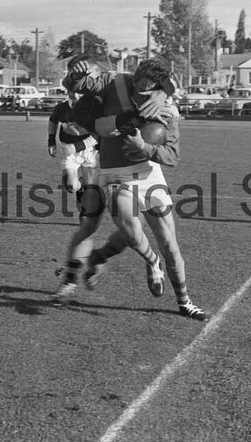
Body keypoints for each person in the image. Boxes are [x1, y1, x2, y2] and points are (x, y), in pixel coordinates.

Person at [52, 57, 207, 322]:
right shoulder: (114, 82)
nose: (138, 89)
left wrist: (144, 147)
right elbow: (78, 86)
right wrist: (75, 76)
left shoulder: (166, 109)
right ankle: (148, 261)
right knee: (119, 225)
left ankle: (185, 302)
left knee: (169, 244)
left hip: (148, 174)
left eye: (146, 88)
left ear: (157, 86)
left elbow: (172, 156)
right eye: (137, 82)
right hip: (113, 172)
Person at [47, 91, 98, 214]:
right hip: (68, 150)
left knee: (90, 189)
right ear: (68, 92)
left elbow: (99, 133)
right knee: (71, 187)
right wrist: (51, 141)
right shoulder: (61, 108)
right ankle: (80, 187)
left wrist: (77, 145)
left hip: (89, 150)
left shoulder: (93, 108)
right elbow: (53, 120)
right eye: (73, 91)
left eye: (80, 92)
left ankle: (85, 212)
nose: (76, 95)